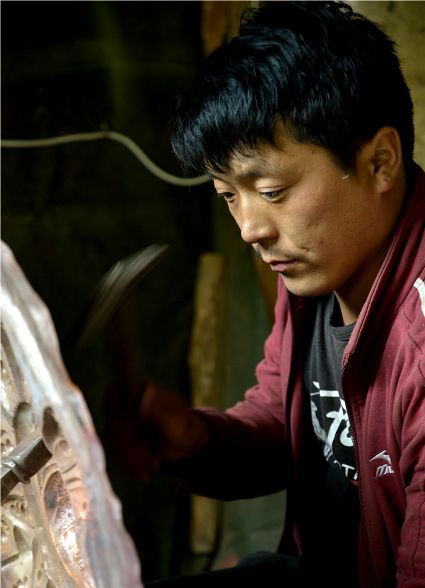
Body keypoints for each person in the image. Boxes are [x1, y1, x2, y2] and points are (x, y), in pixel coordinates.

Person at [123, 2, 425, 586]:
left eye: (271, 191)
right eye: (229, 196)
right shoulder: (323, 265)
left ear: (380, 162)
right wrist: (195, 440)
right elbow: (292, 426)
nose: (250, 230)